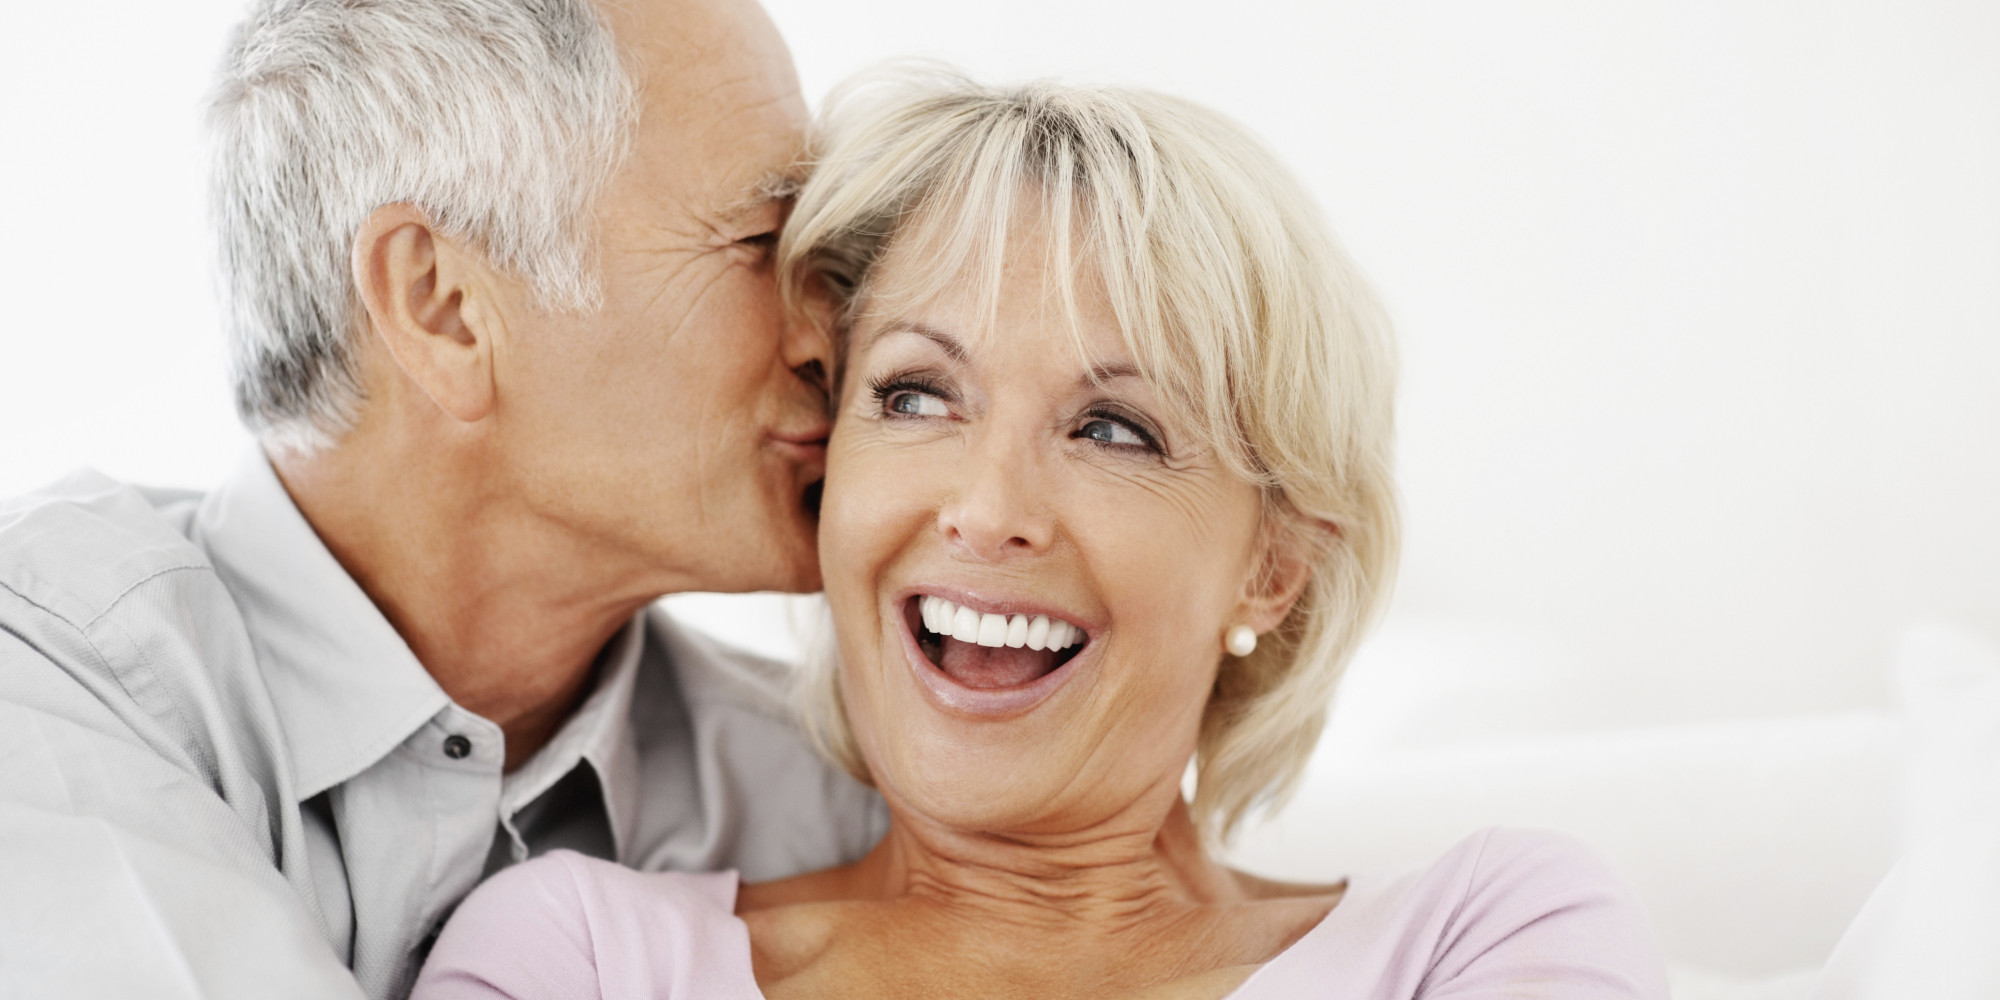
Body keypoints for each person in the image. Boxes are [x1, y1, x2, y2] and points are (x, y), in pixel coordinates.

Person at [411, 71, 1672, 999]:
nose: (986, 509)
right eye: (914, 396)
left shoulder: (1489, 936)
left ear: (1273, 565)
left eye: (1113, 429)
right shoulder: (572, 956)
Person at [0, 1, 884, 998]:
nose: (834, 335)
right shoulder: (41, 673)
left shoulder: (840, 804)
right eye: (763, 239)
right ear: (442, 306)